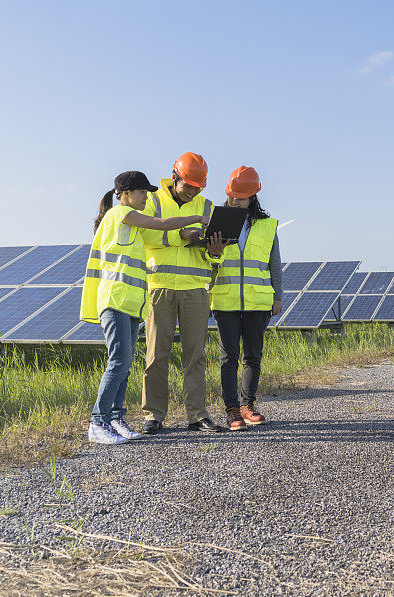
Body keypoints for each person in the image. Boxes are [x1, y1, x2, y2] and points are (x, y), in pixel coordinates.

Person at [80, 171, 212, 444]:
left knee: (125, 364)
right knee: (118, 362)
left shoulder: (132, 225)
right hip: (116, 300)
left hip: (130, 303)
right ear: (126, 194)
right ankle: (97, 422)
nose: (147, 197)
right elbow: (162, 223)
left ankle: (116, 419)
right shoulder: (119, 214)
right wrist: (197, 218)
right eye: (142, 193)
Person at [139, 152, 227, 435]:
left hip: (195, 290)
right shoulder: (152, 201)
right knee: (156, 355)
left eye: (197, 188)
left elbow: (216, 259)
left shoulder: (208, 206)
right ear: (174, 177)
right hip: (160, 288)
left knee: (195, 356)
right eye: (188, 186)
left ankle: (197, 415)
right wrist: (182, 234)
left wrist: (215, 252)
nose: (192, 192)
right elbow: (146, 235)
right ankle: (154, 415)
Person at [211, 166, 283, 431]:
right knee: (228, 357)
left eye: (241, 197)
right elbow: (209, 262)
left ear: (253, 197)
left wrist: (278, 297)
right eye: (233, 195)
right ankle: (231, 411)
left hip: (258, 301)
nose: (236, 200)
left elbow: (274, 265)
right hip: (225, 301)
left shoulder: (267, 226)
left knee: (253, 356)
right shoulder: (216, 221)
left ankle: (248, 405)